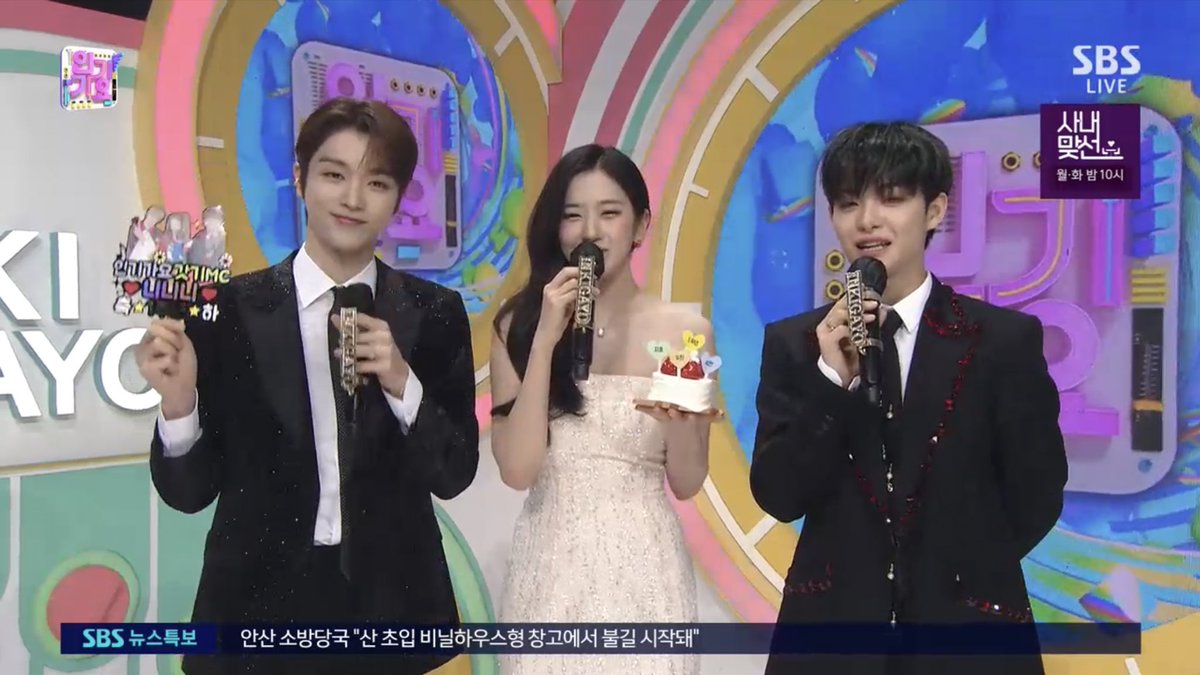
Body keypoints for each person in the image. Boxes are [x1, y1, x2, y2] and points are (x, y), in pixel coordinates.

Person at [137, 97, 479, 675]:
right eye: (333, 175)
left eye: (376, 182)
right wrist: (178, 403)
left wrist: (401, 380)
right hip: (256, 616)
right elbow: (189, 493)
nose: (352, 198)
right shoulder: (232, 310)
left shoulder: (434, 312)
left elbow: (454, 473)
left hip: (393, 612)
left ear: (398, 198)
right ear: (300, 178)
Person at [750, 122, 1068, 675]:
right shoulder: (797, 344)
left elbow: (1037, 492)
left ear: (936, 209)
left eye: (891, 198)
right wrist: (831, 381)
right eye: (848, 203)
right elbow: (779, 494)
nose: (867, 220)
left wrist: (959, 574)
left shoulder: (1000, 341)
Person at [490, 144, 717, 674]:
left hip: (645, 570)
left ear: (640, 226)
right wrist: (545, 341)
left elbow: (687, 482)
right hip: (550, 568)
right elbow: (518, 470)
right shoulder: (516, 327)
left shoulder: (685, 333)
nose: (590, 231)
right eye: (573, 215)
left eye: (609, 213)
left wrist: (679, 423)